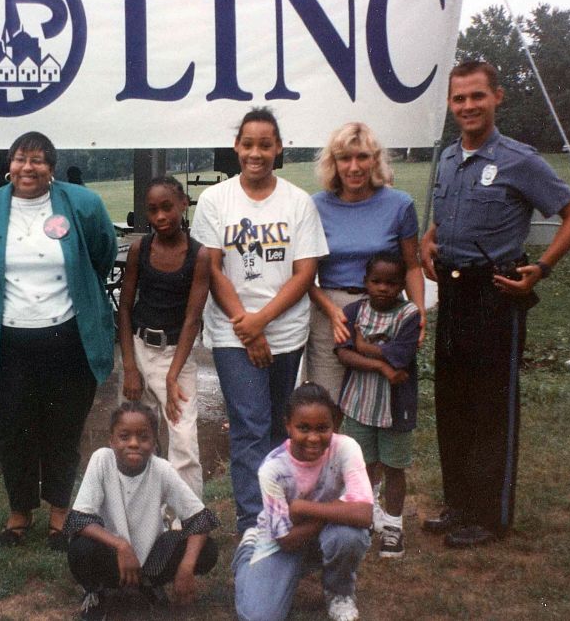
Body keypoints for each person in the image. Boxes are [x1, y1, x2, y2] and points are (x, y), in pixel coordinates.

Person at [420, 60, 570, 547]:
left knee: (489, 405)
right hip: (452, 293)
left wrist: (543, 267)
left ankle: (490, 516)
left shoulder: (519, 159)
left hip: (495, 292)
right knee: (453, 402)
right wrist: (429, 240)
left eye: (477, 96)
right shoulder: (449, 159)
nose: (468, 106)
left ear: (498, 97)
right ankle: (459, 504)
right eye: (459, 99)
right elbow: (447, 218)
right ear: (451, 105)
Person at [0, 131, 117, 551]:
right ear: (8, 164)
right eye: (19, 159)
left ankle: (60, 513)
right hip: (6, 340)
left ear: (52, 167)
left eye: (38, 160)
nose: (27, 168)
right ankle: (19, 511)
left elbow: (102, 254)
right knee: (12, 428)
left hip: (68, 336)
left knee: (63, 427)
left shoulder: (82, 204)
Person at [189, 107, 329, 533]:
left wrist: (262, 323)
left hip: (285, 333)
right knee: (249, 425)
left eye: (265, 145)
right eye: (248, 144)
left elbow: (305, 272)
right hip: (233, 333)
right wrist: (245, 326)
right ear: (236, 147)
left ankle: (278, 511)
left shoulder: (297, 201)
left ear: (279, 148)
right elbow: (211, 270)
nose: (255, 153)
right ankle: (255, 525)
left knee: (275, 426)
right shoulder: (216, 200)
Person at [64, 401, 220, 620]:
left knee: (206, 549)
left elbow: (199, 519)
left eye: (143, 437)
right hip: (111, 556)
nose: (134, 443)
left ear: (154, 442)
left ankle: (148, 585)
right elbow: (78, 520)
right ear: (111, 440)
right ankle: (97, 592)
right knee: (81, 548)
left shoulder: (162, 469)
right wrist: (121, 545)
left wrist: (185, 568)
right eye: (124, 436)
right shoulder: (102, 460)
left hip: (150, 559)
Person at [304, 122, 425, 403]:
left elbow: (413, 265)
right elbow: (305, 277)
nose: (354, 167)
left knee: (378, 400)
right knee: (326, 402)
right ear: (333, 163)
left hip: (386, 310)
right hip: (332, 311)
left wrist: (417, 313)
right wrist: (332, 311)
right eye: (345, 158)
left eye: (363, 157)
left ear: (376, 159)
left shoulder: (400, 204)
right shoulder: (315, 206)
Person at [232, 383, 372, 621]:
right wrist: (333, 512)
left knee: (349, 536)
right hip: (286, 537)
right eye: (303, 428)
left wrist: (303, 508)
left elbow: (365, 514)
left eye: (322, 428)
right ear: (288, 425)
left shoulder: (346, 448)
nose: (314, 438)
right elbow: (286, 540)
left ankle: (339, 592)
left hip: (314, 528)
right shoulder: (273, 468)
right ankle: (248, 551)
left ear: (334, 425)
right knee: (258, 616)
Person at [118, 176, 210, 496]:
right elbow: (125, 308)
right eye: (153, 210)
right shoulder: (140, 249)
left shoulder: (198, 256)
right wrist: (130, 367)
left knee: (183, 441)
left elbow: (192, 320)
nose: (160, 217)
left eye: (168, 207)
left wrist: (172, 377)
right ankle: (140, 505)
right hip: (141, 349)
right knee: (137, 436)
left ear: (184, 203)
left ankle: (186, 521)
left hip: (176, 355)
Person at [334, 251, 421, 559]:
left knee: (395, 466)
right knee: (364, 465)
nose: (383, 288)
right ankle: (367, 516)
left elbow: (401, 355)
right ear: (365, 282)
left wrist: (363, 347)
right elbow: (343, 354)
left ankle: (394, 525)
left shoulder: (410, 315)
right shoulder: (354, 311)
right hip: (359, 403)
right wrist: (380, 365)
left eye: (391, 283)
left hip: (395, 407)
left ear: (401, 286)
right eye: (376, 281)